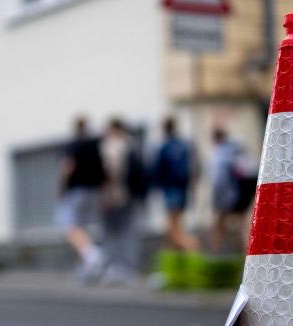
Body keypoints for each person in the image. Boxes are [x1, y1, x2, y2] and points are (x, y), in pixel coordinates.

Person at [56, 116, 106, 283]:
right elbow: (103, 169)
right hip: (93, 191)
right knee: (83, 229)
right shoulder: (94, 145)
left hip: (76, 190)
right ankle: (86, 269)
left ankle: (91, 253)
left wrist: (61, 188)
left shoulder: (73, 145)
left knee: (70, 226)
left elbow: (67, 167)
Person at [99, 118, 148, 285]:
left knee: (114, 233)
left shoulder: (110, 147)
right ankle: (127, 269)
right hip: (127, 196)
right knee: (126, 232)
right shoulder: (131, 146)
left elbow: (108, 173)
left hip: (114, 197)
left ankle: (116, 268)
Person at [152, 116, 199, 251]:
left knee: (173, 227)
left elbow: (157, 171)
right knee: (173, 225)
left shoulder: (165, 147)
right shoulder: (184, 145)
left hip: (171, 189)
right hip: (183, 189)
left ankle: (192, 247)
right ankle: (175, 255)